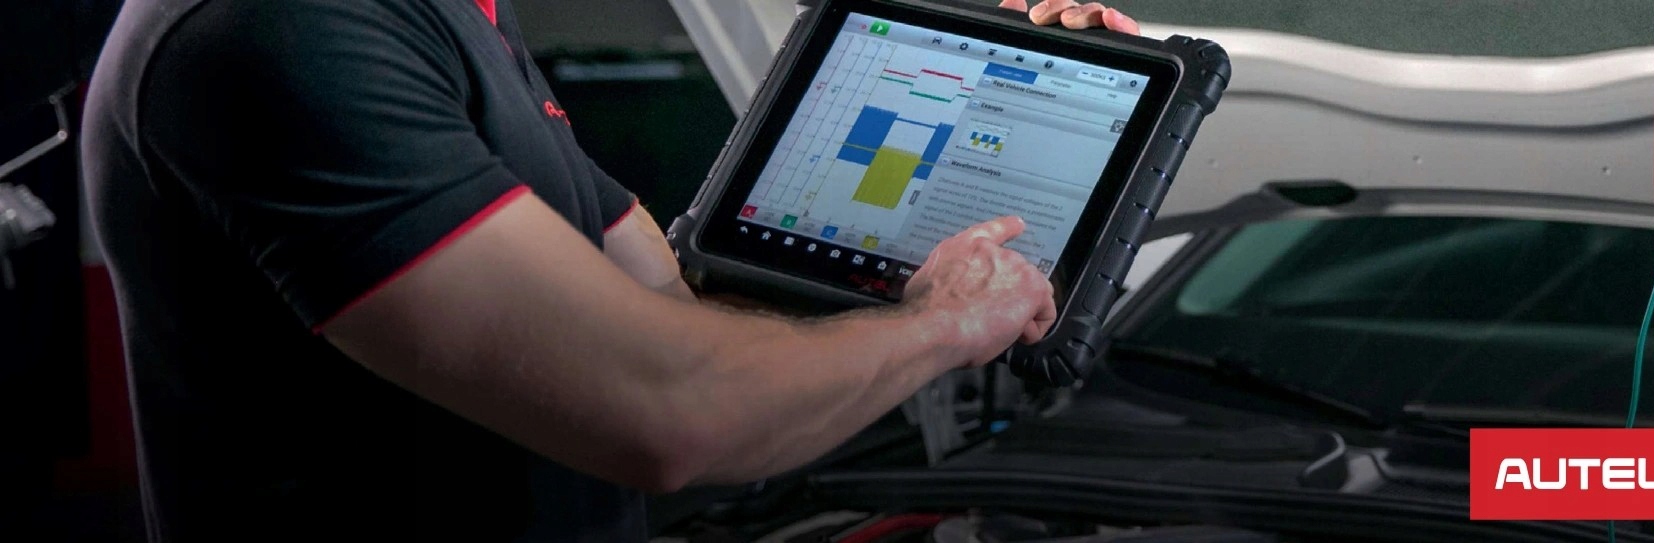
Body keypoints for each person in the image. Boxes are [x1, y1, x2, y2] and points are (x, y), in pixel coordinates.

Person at [80, 0, 1141, 539]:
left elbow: (667, 299)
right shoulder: (283, 30)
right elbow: (672, 409)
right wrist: (945, 322)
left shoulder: (441, 15)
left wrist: (1004, 97)